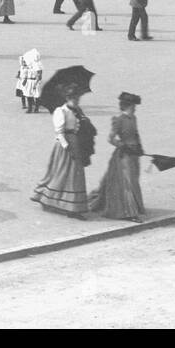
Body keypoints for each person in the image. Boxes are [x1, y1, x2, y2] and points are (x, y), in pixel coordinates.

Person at [30, 87, 90, 219]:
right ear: (67, 98)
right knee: (61, 173)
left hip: (76, 142)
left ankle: (73, 207)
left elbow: (81, 126)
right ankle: (47, 198)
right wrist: (67, 146)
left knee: (75, 175)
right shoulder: (60, 111)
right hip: (65, 146)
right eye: (74, 98)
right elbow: (59, 132)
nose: (76, 100)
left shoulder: (77, 111)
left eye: (77, 98)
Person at [89, 92, 145, 222]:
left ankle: (133, 207)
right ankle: (129, 212)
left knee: (133, 180)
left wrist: (139, 147)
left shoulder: (134, 118)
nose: (135, 108)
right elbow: (110, 138)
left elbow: (136, 134)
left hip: (133, 155)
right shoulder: (119, 120)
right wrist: (123, 145)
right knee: (127, 182)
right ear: (127, 106)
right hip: (123, 156)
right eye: (133, 106)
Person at [17, 48, 44, 114]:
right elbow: (26, 74)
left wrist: (35, 84)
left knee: (36, 95)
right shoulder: (29, 65)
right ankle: (30, 108)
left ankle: (36, 109)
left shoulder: (38, 66)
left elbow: (39, 76)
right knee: (28, 95)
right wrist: (24, 81)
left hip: (35, 81)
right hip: (29, 81)